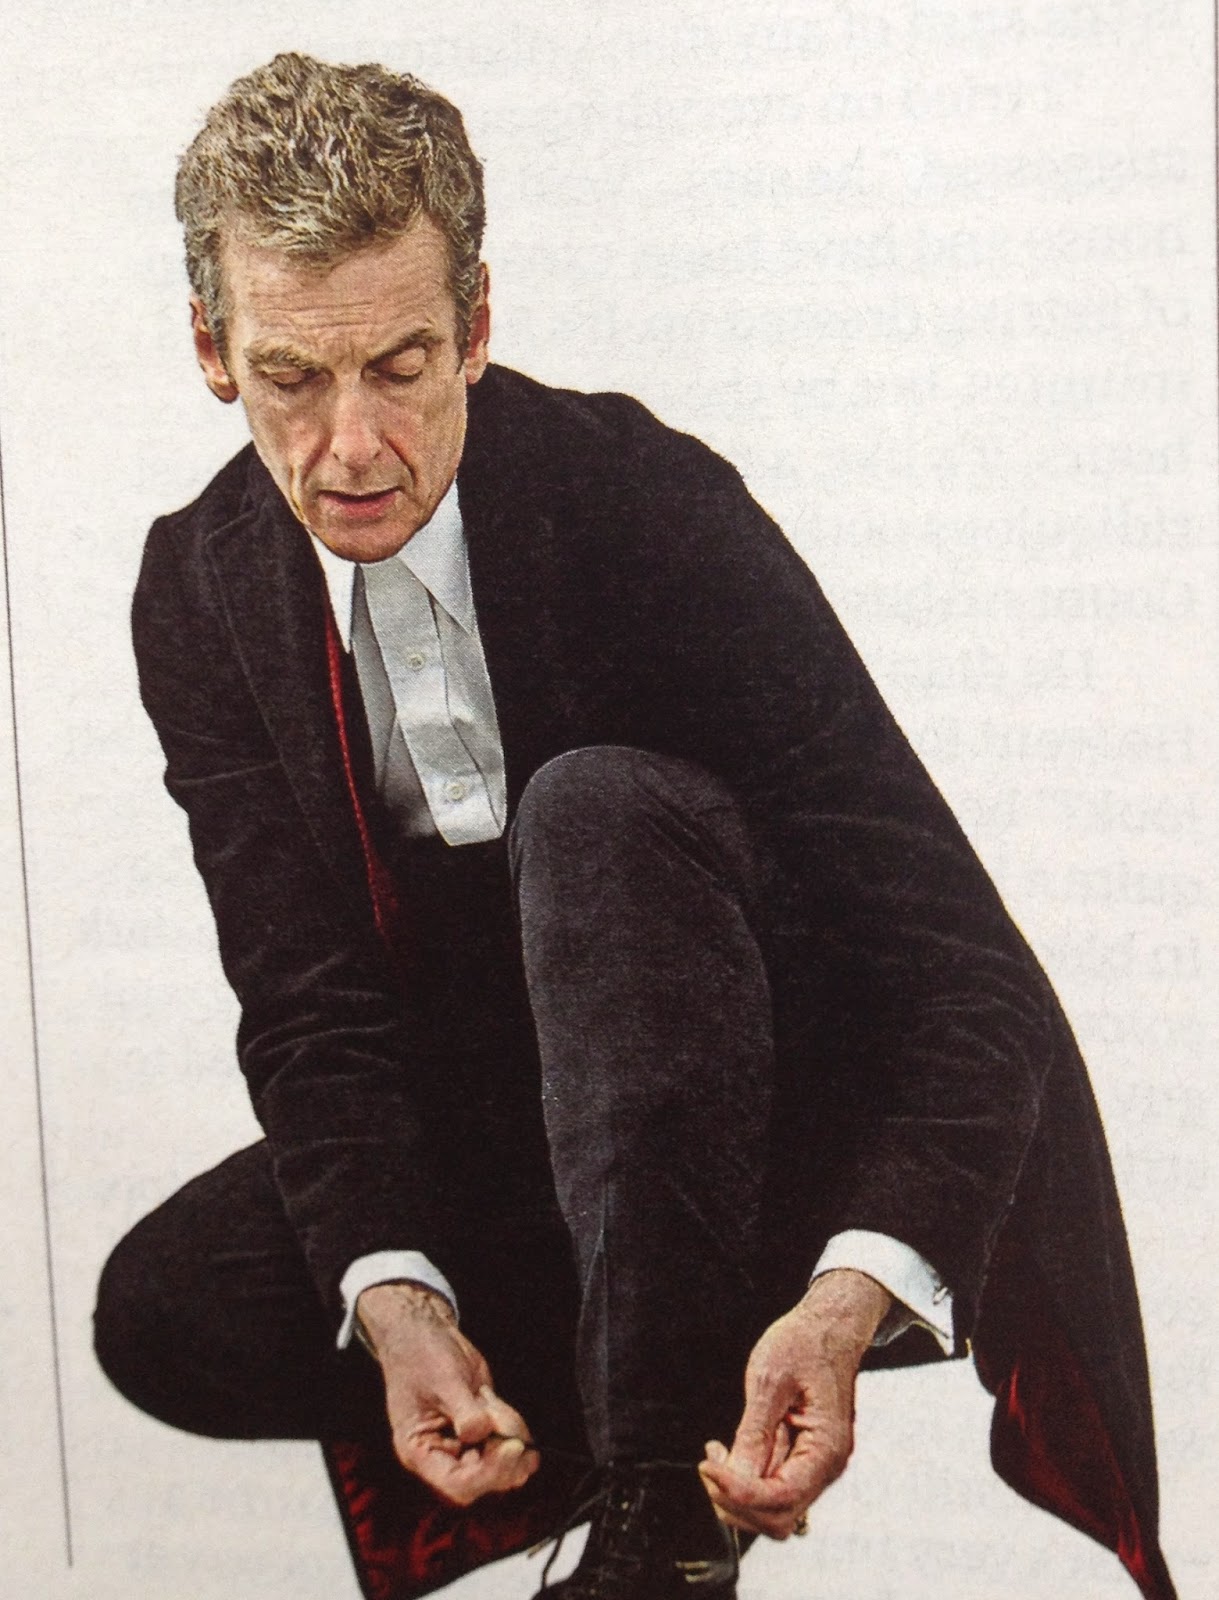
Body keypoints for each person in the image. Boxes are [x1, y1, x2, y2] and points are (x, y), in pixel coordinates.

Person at [93, 52, 1175, 1600]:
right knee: (167, 1305)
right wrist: (401, 1303)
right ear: (213, 351)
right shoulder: (195, 589)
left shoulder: (644, 503)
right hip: (540, 1146)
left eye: (400, 367)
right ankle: (632, 1368)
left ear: (476, 327)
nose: (352, 447)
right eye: (291, 378)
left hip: (787, 1116)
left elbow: (967, 978)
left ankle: (665, 1519)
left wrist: (850, 1293)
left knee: (591, 809)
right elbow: (309, 1004)